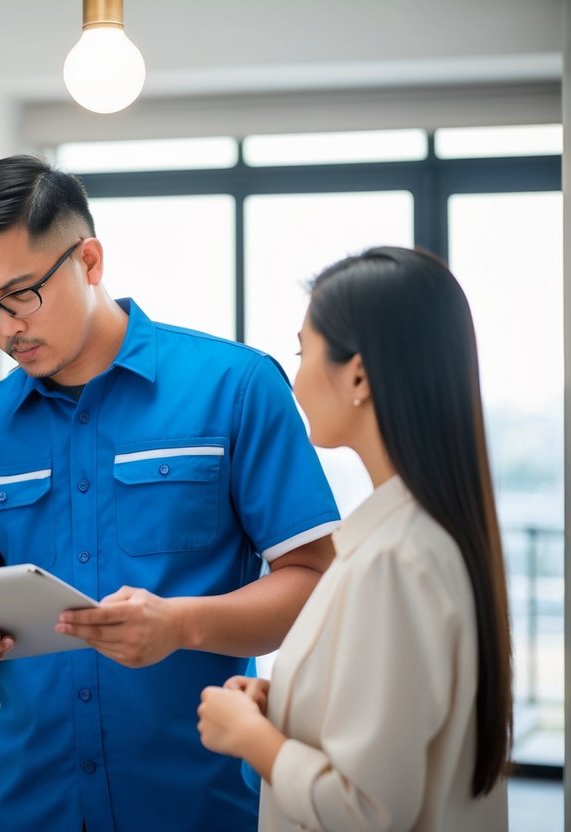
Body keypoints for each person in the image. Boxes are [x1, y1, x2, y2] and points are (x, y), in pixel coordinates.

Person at [0, 155, 340, 832]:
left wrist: (181, 625)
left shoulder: (235, 388)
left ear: (88, 261)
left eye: (21, 294)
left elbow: (316, 584)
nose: (4, 329)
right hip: (34, 807)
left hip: (197, 805)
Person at [196, 247, 512, 830]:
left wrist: (251, 738)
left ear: (359, 374)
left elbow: (367, 810)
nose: (294, 377)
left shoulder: (394, 559)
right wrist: (284, 709)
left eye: (303, 351)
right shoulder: (423, 535)